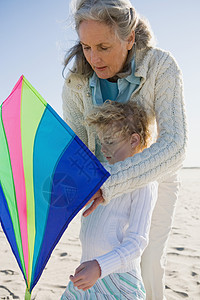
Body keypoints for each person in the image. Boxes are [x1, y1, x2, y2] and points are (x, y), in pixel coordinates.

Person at [62, 1, 187, 299]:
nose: (93, 58)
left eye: (103, 47)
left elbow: (176, 146)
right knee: (99, 257)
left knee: (148, 262)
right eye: (86, 47)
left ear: (129, 37)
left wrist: (111, 183)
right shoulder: (75, 82)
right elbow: (78, 149)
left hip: (154, 172)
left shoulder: (161, 65)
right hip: (101, 178)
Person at [61, 100, 158, 299]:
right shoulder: (102, 173)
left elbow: (136, 243)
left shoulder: (144, 182)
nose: (103, 149)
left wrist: (99, 267)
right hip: (88, 271)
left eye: (110, 142)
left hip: (118, 280)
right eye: (101, 142)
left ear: (134, 140)